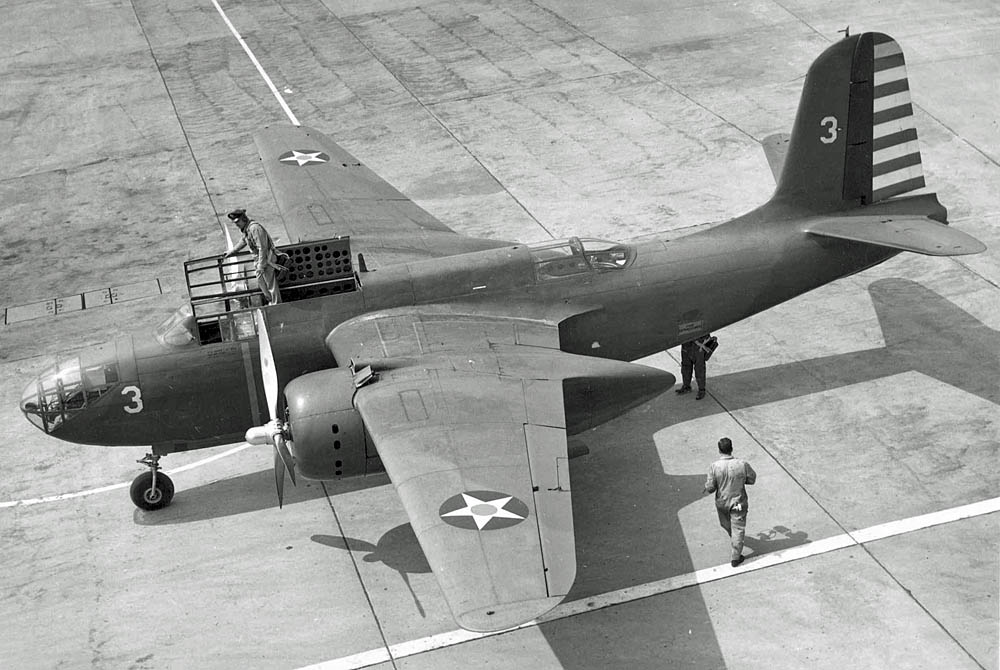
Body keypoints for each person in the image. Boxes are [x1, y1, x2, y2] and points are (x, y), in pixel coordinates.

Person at [703, 437, 757, 567]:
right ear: (731, 448)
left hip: (722, 503)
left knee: (727, 525)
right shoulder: (742, 464)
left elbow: (710, 488)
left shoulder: (714, 466)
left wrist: (707, 487)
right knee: (737, 529)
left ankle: (735, 556)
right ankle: (736, 547)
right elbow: (752, 479)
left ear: (719, 450)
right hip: (738, 503)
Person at [223, 209, 282, 304]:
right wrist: (231, 252)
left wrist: (261, 265)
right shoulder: (247, 230)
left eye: (238, 222)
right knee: (262, 282)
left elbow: (262, 248)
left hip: (267, 259)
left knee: (270, 283)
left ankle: (276, 303)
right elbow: (243, 242)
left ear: (243, 219)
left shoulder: (254, 228)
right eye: (235, 223)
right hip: (259, 260)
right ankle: (270, 300)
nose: (236, 224)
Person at [675, 333, 713, 399]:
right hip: (686, 343)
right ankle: (686, 386)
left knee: (699, 369)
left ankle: (701, 390)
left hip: (698, 345)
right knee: (685, 367)